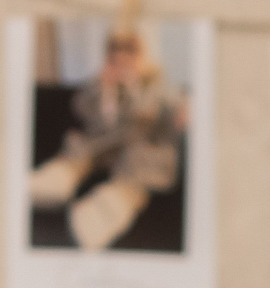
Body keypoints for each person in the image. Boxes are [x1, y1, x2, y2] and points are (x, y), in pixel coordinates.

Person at [28, 27, 186, 254]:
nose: (123, 62)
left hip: (138, 150)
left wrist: (180, 111)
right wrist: (104, 89)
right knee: (80, 152)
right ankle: (57, 179)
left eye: (131, 55)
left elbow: (165, 110)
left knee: (134, 176)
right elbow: (84, 110)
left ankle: (109, 208)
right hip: (104, 145)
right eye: (115, 56)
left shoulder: (158, 85)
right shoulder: (103, 85)